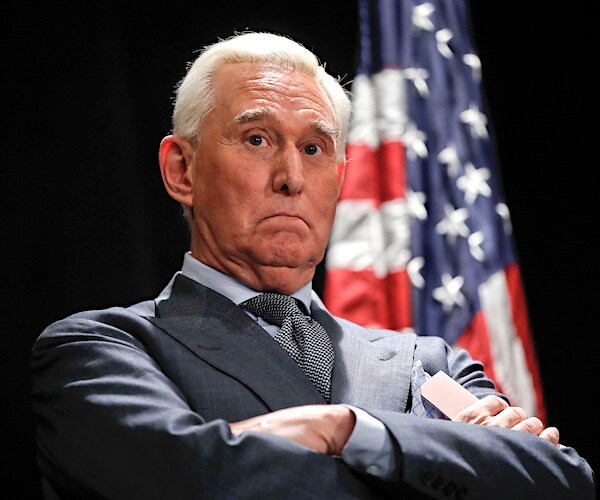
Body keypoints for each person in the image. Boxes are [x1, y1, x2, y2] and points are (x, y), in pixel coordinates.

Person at [30, 31, 595, 499]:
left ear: (341, 177)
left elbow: (560, 481)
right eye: (257, 139)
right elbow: (198, 478)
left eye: (314, 148)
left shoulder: (429, 362)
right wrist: (436, 461)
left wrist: (345, 428)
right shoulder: (102, 350)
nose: (291, 178)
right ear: (182, 170)